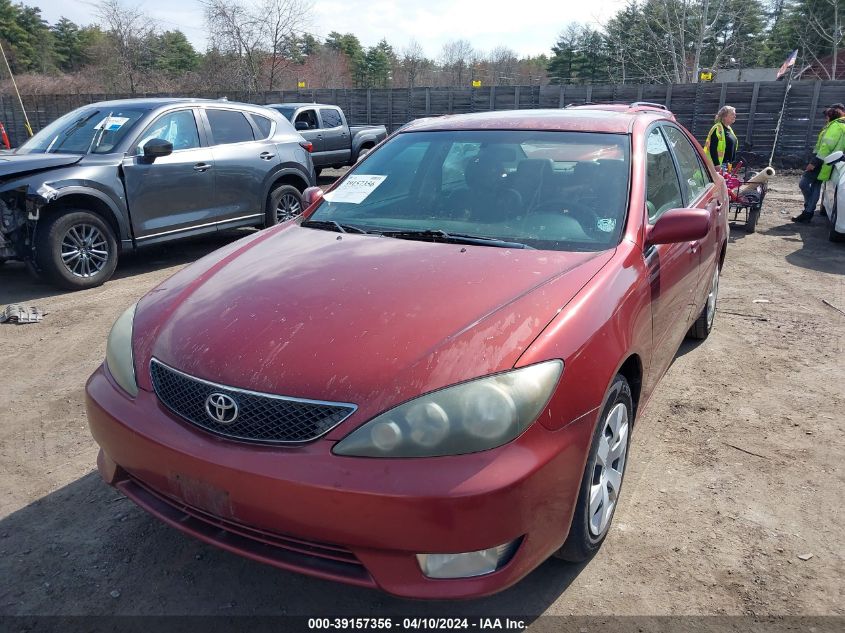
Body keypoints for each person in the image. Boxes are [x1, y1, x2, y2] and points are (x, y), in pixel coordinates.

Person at [794, 103, 845, 223]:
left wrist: (814, 162)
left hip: (821, 161)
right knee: (816, 186)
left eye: (826, 116)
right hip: (828, 162)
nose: (825, 119)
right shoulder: (836, 125)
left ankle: (808, 209)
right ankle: (808, 212)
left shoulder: (836, 126)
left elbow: (826, 146)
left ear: (832, 115)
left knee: (804, 183)